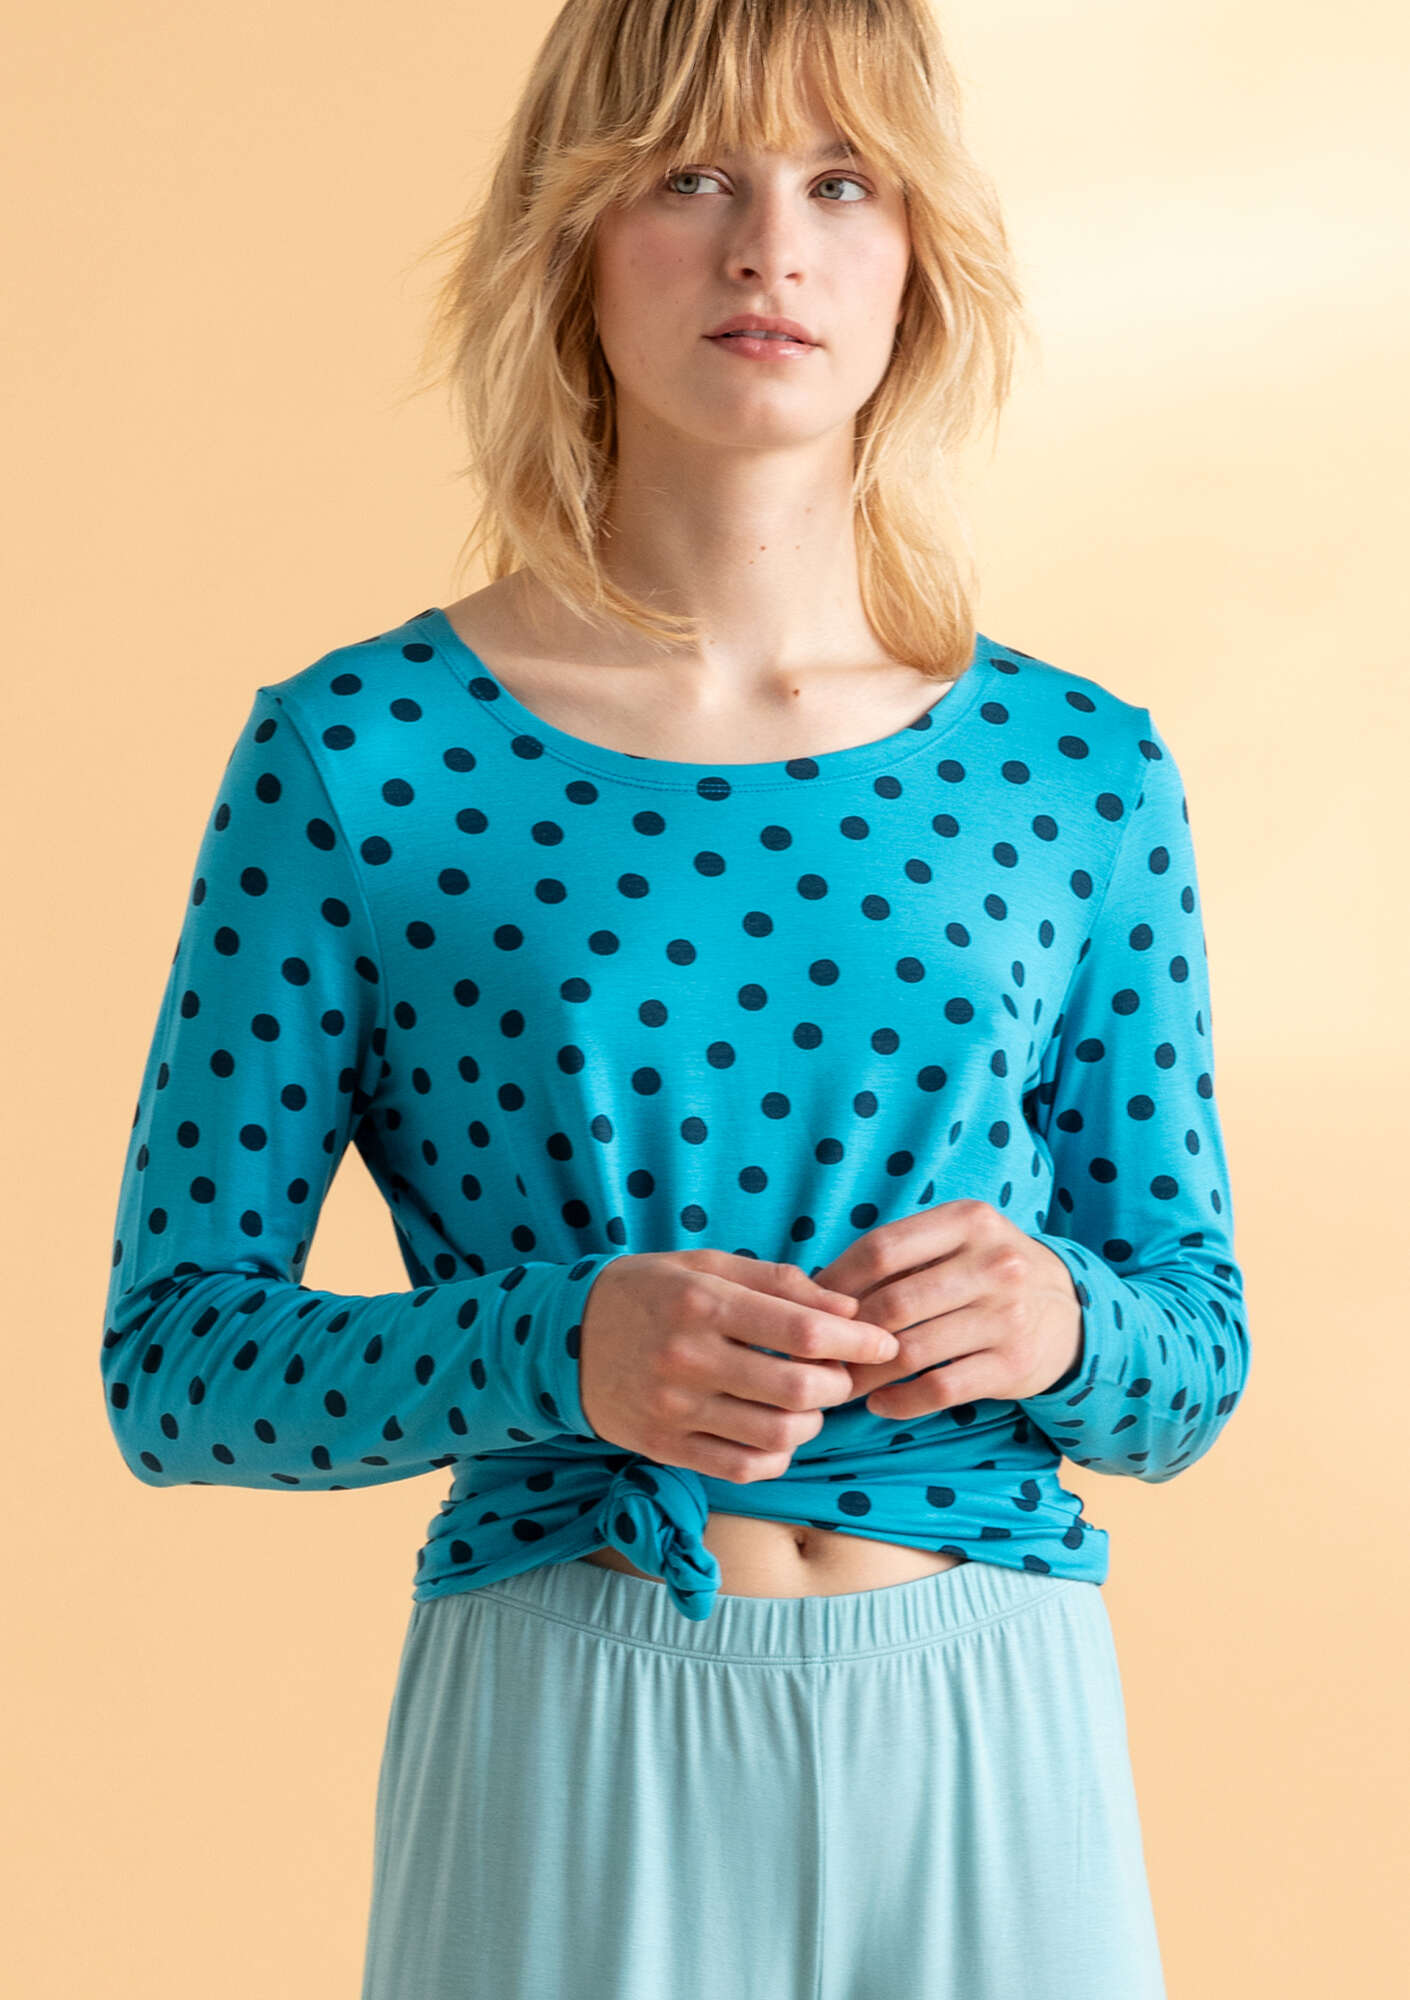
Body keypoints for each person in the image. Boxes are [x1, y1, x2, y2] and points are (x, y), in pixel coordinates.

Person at [100, 2, 1250, 1995]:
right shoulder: (361, 758)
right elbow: (176, 1363)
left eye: (842, 182)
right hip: (572, 1715)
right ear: (573, 235)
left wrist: (1061, 1319)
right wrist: (555, 1346)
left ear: (917, 255)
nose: (769, 249)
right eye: (691, 175)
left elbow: (1195, 1352)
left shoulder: (1076, 768)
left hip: (992, 1715)